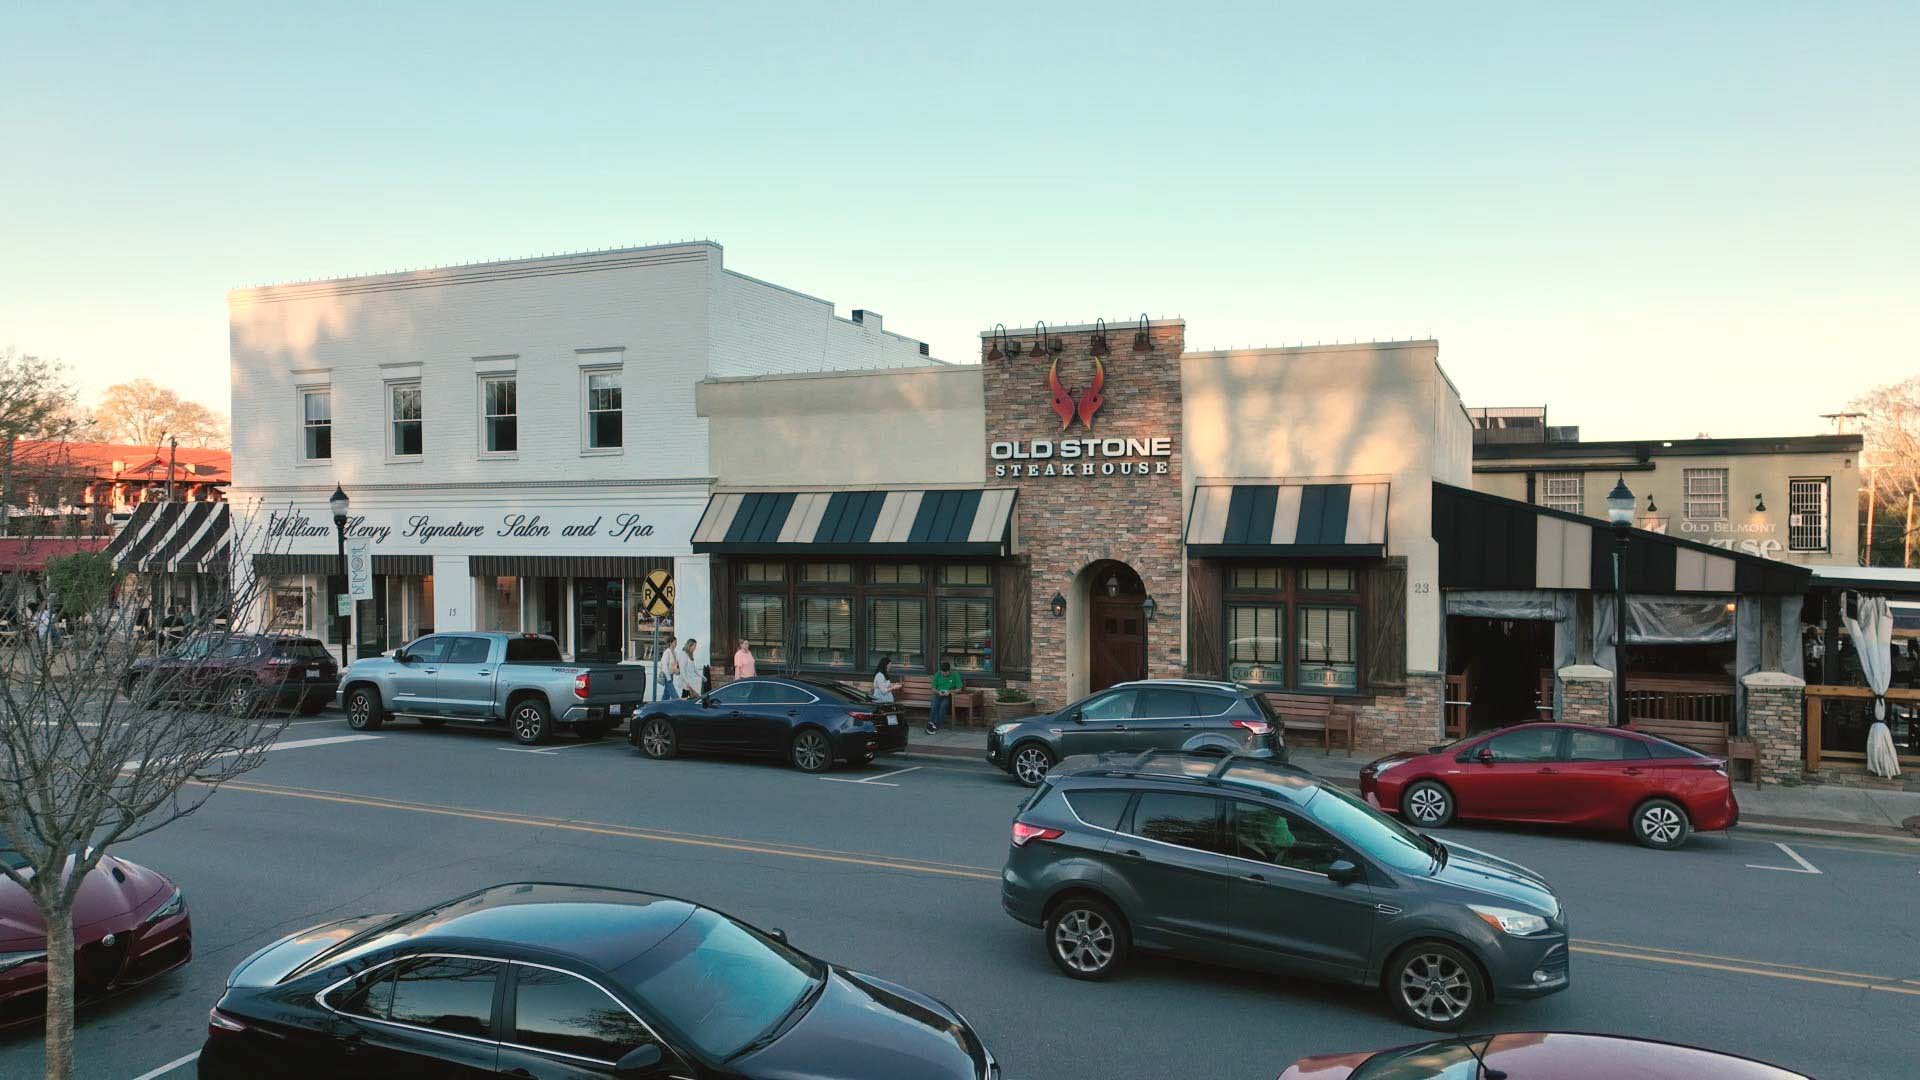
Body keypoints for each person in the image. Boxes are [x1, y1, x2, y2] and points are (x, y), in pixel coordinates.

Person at [929, 660, 962, 734]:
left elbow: (959, 689)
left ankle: (937, 725)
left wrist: (949, 692)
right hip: (938, 694)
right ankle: (931, 723)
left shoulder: (955, 675)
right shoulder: (937, 674)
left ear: (949, 670)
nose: (944, 674)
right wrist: (938, 692)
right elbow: (933, 688)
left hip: (949, 696)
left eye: (946, 672)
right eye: (942, 672)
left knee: (943, 705)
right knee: (934, 704)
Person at [656, 637, 682, 703]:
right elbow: (664, 666)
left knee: (666, 694)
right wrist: (668, 678)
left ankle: (661, 706)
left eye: (676, 642)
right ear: (671, 643)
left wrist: (677, 671)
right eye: (675, 642)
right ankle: (680, 705)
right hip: (666, 676)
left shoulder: (674, 653)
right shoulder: (667, 652)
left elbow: (674, 665)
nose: (676, 643)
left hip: (671, 675)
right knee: (674, 695)